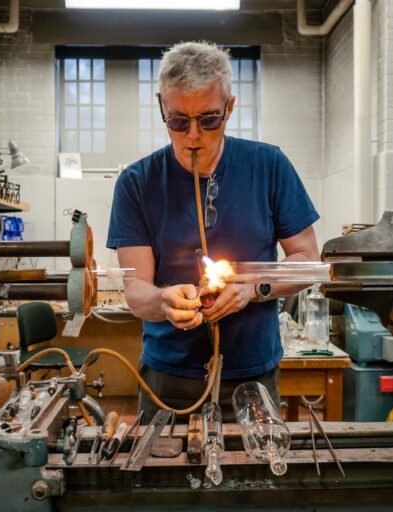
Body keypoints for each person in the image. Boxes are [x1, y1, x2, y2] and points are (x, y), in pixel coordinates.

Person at [106, 41, 320, 421]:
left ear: (230, 109)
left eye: (208, 120)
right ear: (161, 108)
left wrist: (252, 290)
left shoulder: (268, 166)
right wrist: (165, 303)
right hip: (168, 378)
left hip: (252, 375)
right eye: (177, 121)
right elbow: (136, 289)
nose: (192, 136)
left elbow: (308, 262)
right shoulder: (137, 183)